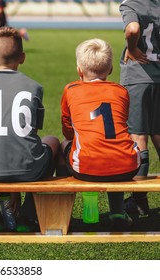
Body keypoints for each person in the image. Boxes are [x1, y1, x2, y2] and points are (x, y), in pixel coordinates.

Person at [0, 26, 60, 232]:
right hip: (28, 167)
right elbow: (32, 134)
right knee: (53, 141)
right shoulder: (34, 87)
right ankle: (28, 214)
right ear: (23, 57)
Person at [59, 38, 141, 229]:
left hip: (86, 169)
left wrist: (75, 139)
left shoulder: (71, 89)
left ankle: (78, 210)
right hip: (127, 166)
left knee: (68, 146)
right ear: (111, 69)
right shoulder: (121, 91)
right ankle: (118, 212)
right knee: (116, 146)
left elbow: (67, 127)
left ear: (80, 70)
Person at [119, 0, 160, 216]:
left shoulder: (131, 3)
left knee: (138, 135)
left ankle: (139, 200)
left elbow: (133, 28)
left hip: (139, 75)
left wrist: (133, 47)